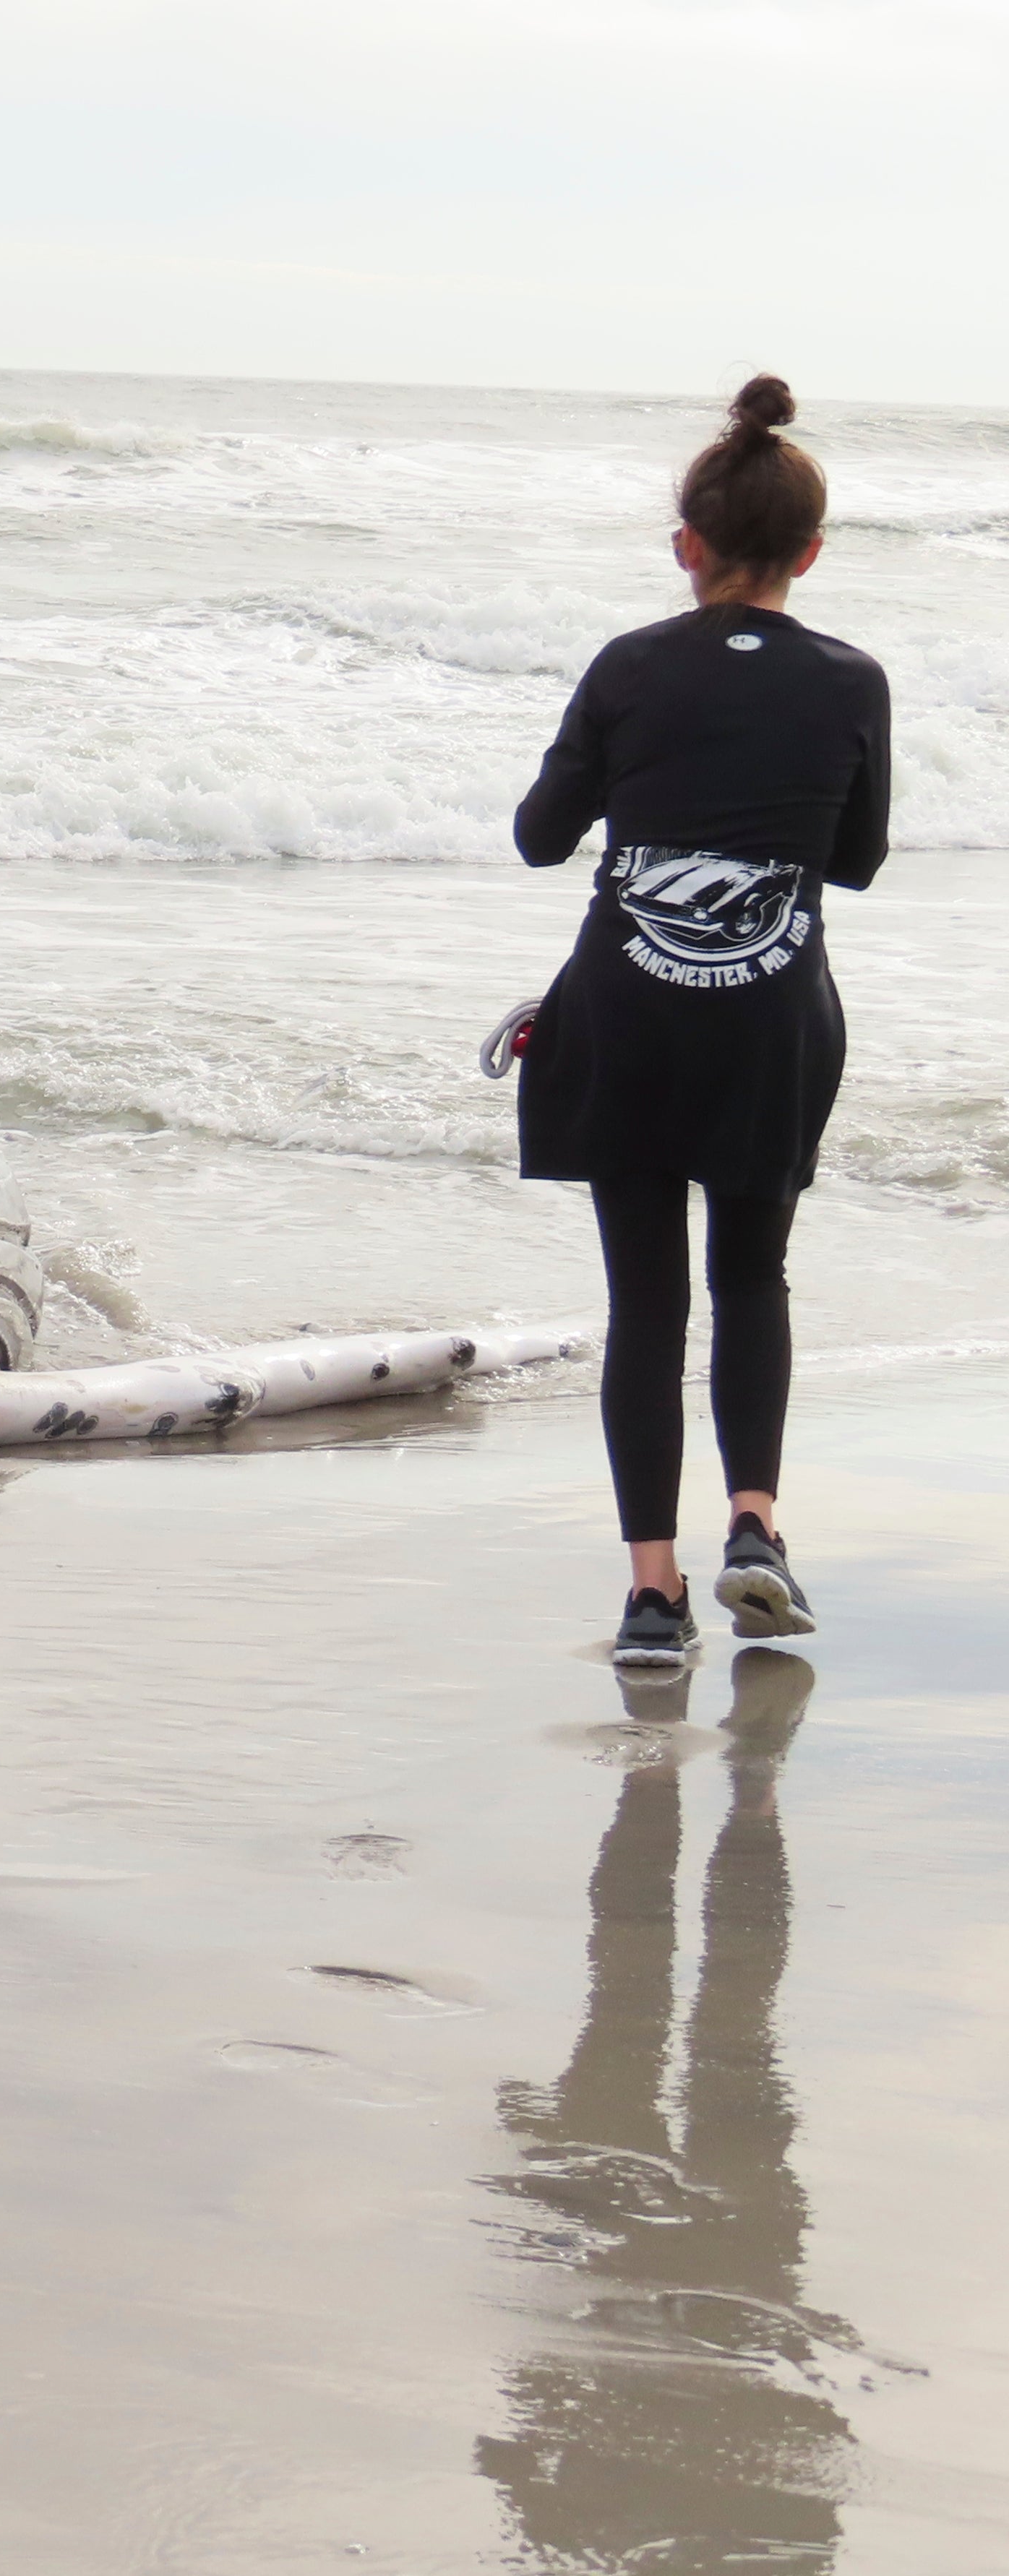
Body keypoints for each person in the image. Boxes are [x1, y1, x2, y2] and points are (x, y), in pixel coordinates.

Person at [512, 376, 888, 1669]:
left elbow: (539, 840)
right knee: (752, 1275)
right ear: (810, 554)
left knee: (646, 1303)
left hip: (623, 1016)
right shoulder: (852, 681)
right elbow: (857, 862)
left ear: (688, 546)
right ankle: (756, 1528)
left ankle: (652, 1601)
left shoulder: (628, 666)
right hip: (772, 1020)